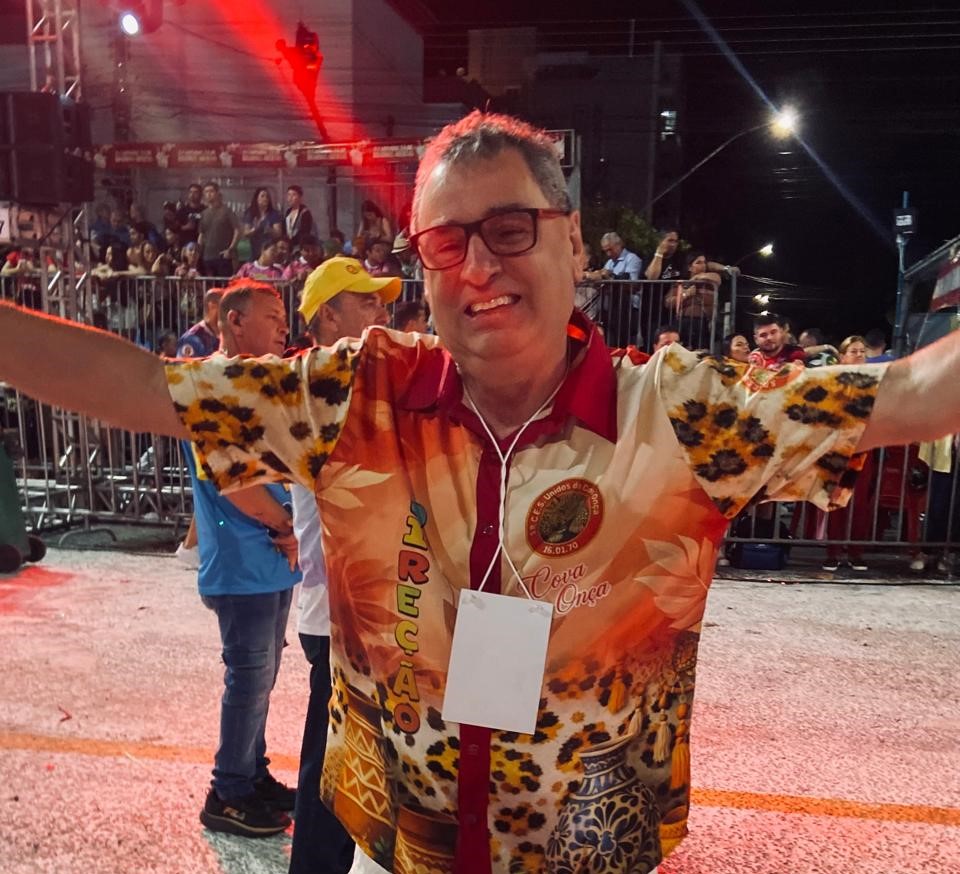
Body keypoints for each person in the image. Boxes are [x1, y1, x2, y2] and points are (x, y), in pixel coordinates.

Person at [3, 111, 960, 874]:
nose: (479, 267)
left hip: (586, 851)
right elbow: (144, 387)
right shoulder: (357, 396)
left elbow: (913, 395)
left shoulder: (674, 416)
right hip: (402, 844)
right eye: (445, 242)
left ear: (573, 243)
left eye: (510, 229)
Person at [287, 257, 398, 874]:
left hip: (359, 615)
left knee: (349, 762)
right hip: (336, 617)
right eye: (366, 301)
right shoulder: (318, 392)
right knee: (330, 771)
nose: (381, 311)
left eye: (380, 300)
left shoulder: (356, 386)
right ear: (328, 316)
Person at [182, 280, 302, 837]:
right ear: (235, 321)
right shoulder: (210, 387)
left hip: (270, 561)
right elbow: (237, 487)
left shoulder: (255, 385)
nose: (284, 326)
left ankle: (252, 774)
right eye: (272, 316)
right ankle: (227, 792)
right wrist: (289, 526)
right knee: (250, 679)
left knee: (262, 676)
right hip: (242, 562)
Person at [822, 335, 874, 572]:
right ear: (842, 357)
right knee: (836, 499)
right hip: (838, 447)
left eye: (862, 351)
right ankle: (833, 551)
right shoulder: (834, 381)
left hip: (865, 447)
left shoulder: (874, 382)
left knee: (860, 501)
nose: (859, 355)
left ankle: (856, 552)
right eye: (854, 351)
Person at [664, 251, 721, 350]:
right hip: (684, 322)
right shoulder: (681, 284)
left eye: (704, 262)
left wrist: (696, 277)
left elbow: (717, 278)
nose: (703, 265)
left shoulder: (710, 282)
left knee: (702, 352)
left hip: (704, 323)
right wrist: (686, 294)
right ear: (689, 267)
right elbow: (668, 302)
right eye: (698, 262)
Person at [198, 182, 241, 277]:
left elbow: (237, 230)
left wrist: (231, 249)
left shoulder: (227, 211)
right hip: (207, 257)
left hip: (223, 256)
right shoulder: (204, 214)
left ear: (217, 193)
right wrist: (198, 252)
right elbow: (201, 234)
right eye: (206, 192)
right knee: (210, 285)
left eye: (211, 191)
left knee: (224, 284)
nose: (209, 194)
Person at [177, 288, 222, 359]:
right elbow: (185, 365)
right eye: (225, 307)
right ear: (212, 306)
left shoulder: (226, 334)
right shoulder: (192, 338)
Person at [243, 188, 283, 263]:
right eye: (262, 196)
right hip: (253, 250)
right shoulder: (250, 213)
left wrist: (269, 230)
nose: (265, 198)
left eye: (267, 196)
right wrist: (254, 229)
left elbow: (278, 233)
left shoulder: (274, 214)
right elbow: (245, 233)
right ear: (256, 199)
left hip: (269, 250)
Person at [284, 185, 315, 251]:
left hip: (300, 246)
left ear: (300, 197)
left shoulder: (305, 213)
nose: (290, 198)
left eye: (294, 195)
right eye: (289, 195)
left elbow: (304, 232)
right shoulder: (288, 212)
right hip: (288, 246)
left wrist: (292, 241)